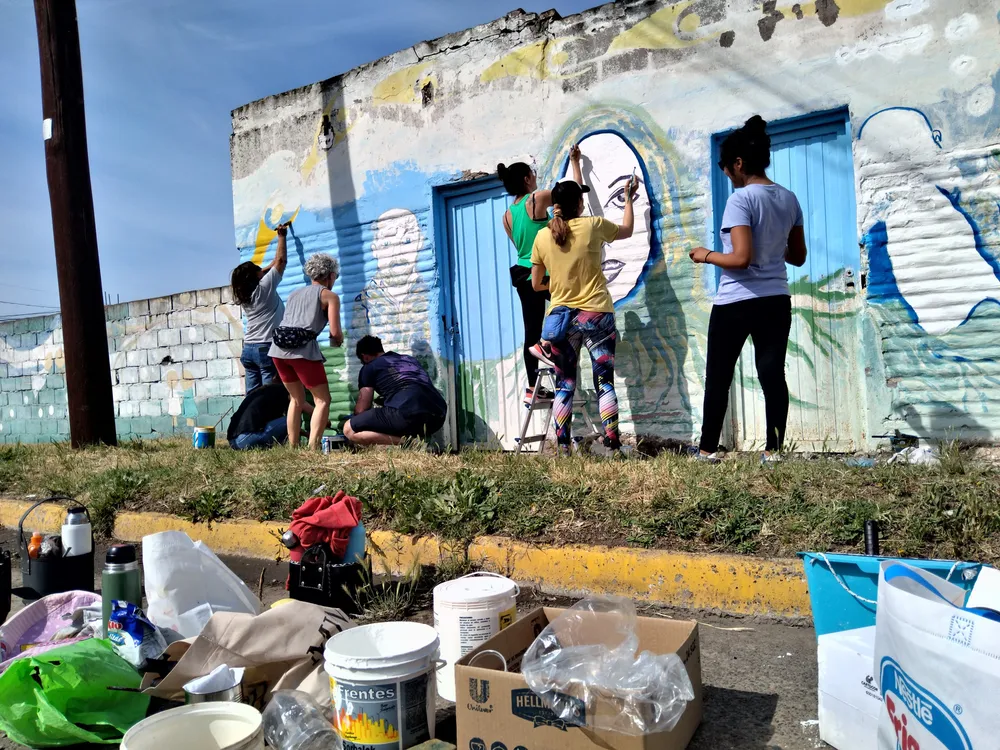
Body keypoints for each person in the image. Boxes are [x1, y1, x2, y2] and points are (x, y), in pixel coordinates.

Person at [688, 115, 807, 462]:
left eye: (727, 168)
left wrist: (706, 255)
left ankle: (707, 450)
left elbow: (740, 259)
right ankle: (774, 452)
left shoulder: (740, 200)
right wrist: (772, 244)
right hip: (775, 300)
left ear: (738, 163)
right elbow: (797, 257)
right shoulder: (789, 199)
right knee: (772, 374)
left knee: (719, 377)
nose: (727, 174)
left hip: (737, 302)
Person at [530, 176, 637, 455]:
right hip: (597, 313)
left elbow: (536, 284)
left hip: (561, 320)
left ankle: (564, 448)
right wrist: (627, 198)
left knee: (565, 385)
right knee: (604, 382)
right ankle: (613, 444)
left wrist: (555, 285)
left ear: (556, 206)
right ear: (580, 203)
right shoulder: (593, 226)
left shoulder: (542, 236)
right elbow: (627, 229)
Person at [499, 145, 585, 404]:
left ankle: (532, 386)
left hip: (522, 275)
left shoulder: (507, 216)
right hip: (543, 274)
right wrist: (576, 163)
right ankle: (549, 346)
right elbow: (572, 194)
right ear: (526, 179)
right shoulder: (535, 199)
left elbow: (521, 247)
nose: (535, 177)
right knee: (573, 307)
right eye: (533, 174)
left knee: (531, 329)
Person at [269, 253, 344, 451]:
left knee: (296, 399)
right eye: (335, 276)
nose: (334, 280)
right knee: (322, 400)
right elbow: (335, 332)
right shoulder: (330, 296)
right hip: (303, 352)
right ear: (329, 275)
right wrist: (339, 341)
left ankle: (293, 448)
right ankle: (312, 448)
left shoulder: (294, 293)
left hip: (277, 351)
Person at [344, 335, 447, 446]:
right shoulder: (409, 360)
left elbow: (361, 409)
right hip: (438, 416)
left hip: (408, 413)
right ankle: (413, 441)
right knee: (394, 417)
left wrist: (355, 417)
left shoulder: (369, 367)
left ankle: (409, 443)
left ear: (365, 357)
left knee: (349, 429)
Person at [231, 222, 288, 391]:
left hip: (248, 348)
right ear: (257, 276)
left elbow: (268, 269)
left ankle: (251, 418)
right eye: (258, 269)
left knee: (253, 397)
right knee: (267, 397)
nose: (262, 270)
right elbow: (281, 261)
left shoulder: (245, 293)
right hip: (265, 348)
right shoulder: (264, 288)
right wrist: (281, 236)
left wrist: (265, 267)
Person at [227, 382, 297, 450]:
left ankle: (275, 445)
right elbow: (298, 405)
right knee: (293, 418)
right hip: (245, 439)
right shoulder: (282, 392)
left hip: (233, 442)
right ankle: (292, 445)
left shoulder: (265, 391)